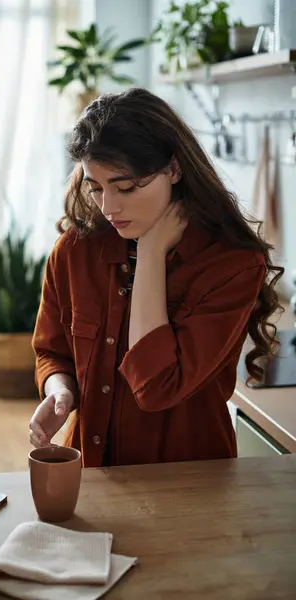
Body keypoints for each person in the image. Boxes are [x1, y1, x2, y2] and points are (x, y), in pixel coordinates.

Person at [29, 87, 283, 468]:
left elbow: (156, 387)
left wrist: (150, 253)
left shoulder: (232, 267)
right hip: (92, 473)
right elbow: (52, 351)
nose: (108, 207)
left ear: (174, 169)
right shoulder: (74, 251)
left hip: (191, 485)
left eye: (126, 187)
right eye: (95, 188)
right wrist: (60, 391)